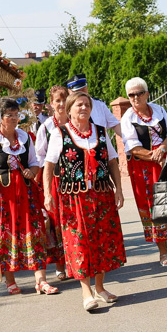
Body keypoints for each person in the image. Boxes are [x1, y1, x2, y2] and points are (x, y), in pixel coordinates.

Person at [43, 91, 126, 311]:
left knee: (101, 241)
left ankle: (100, 287)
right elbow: (49, 166)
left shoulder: (100, 131)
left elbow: (112, 162)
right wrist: (47, 194)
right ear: (69, 110)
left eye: (86, 105)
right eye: (79, 105)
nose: (83, 108)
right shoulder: (60, 133)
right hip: (74, 199)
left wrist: (118, 189)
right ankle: (86, 292)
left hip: (101, 195)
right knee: (79, 243)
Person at [0, 98, 57, 296]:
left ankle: (41, 281)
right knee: (5, 234)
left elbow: (35, 163)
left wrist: (31, 171)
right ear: (0, 118)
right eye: (9, 115)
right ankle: (10, 280)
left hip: (26, 194)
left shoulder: (26, 138)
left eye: (16, 114)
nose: (14, 119)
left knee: (35, 231)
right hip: (2, 197)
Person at [121, 77, 167, 266]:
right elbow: (132, 147)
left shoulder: (159, 110)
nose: (135, 98)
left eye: (139, 93)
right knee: (153, 205)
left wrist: (163, 150)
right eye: (131, 95)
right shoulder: (128, 118)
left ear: (147, 94)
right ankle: (163, 250)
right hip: (143, 167)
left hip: (164, 160)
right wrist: (153, 155)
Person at [34, 84, 70, 281]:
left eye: (65, 100)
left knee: (73, 220)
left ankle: (75, 260)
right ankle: (59, 264)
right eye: (58, 100)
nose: (62, 104)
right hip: (55, 180)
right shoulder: (46, 127)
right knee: (56, 222)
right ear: (51, 104)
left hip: (74, 179)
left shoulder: (76, 122)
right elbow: (40, 157)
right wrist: (42, 186)